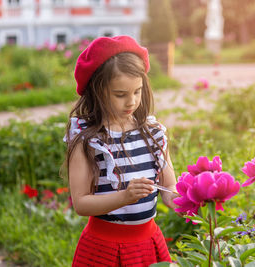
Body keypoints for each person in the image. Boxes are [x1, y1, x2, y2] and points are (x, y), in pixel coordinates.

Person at [63, 35, 178, 266]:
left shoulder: (152, 133)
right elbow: (81, 203)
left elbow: (169, 189)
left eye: (137, 91)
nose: (131, 102)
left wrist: (191, 201)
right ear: (97, 90)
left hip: (148, 244)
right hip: (103, 248)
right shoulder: (88, 139)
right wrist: (125, 196)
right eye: (120, 94)